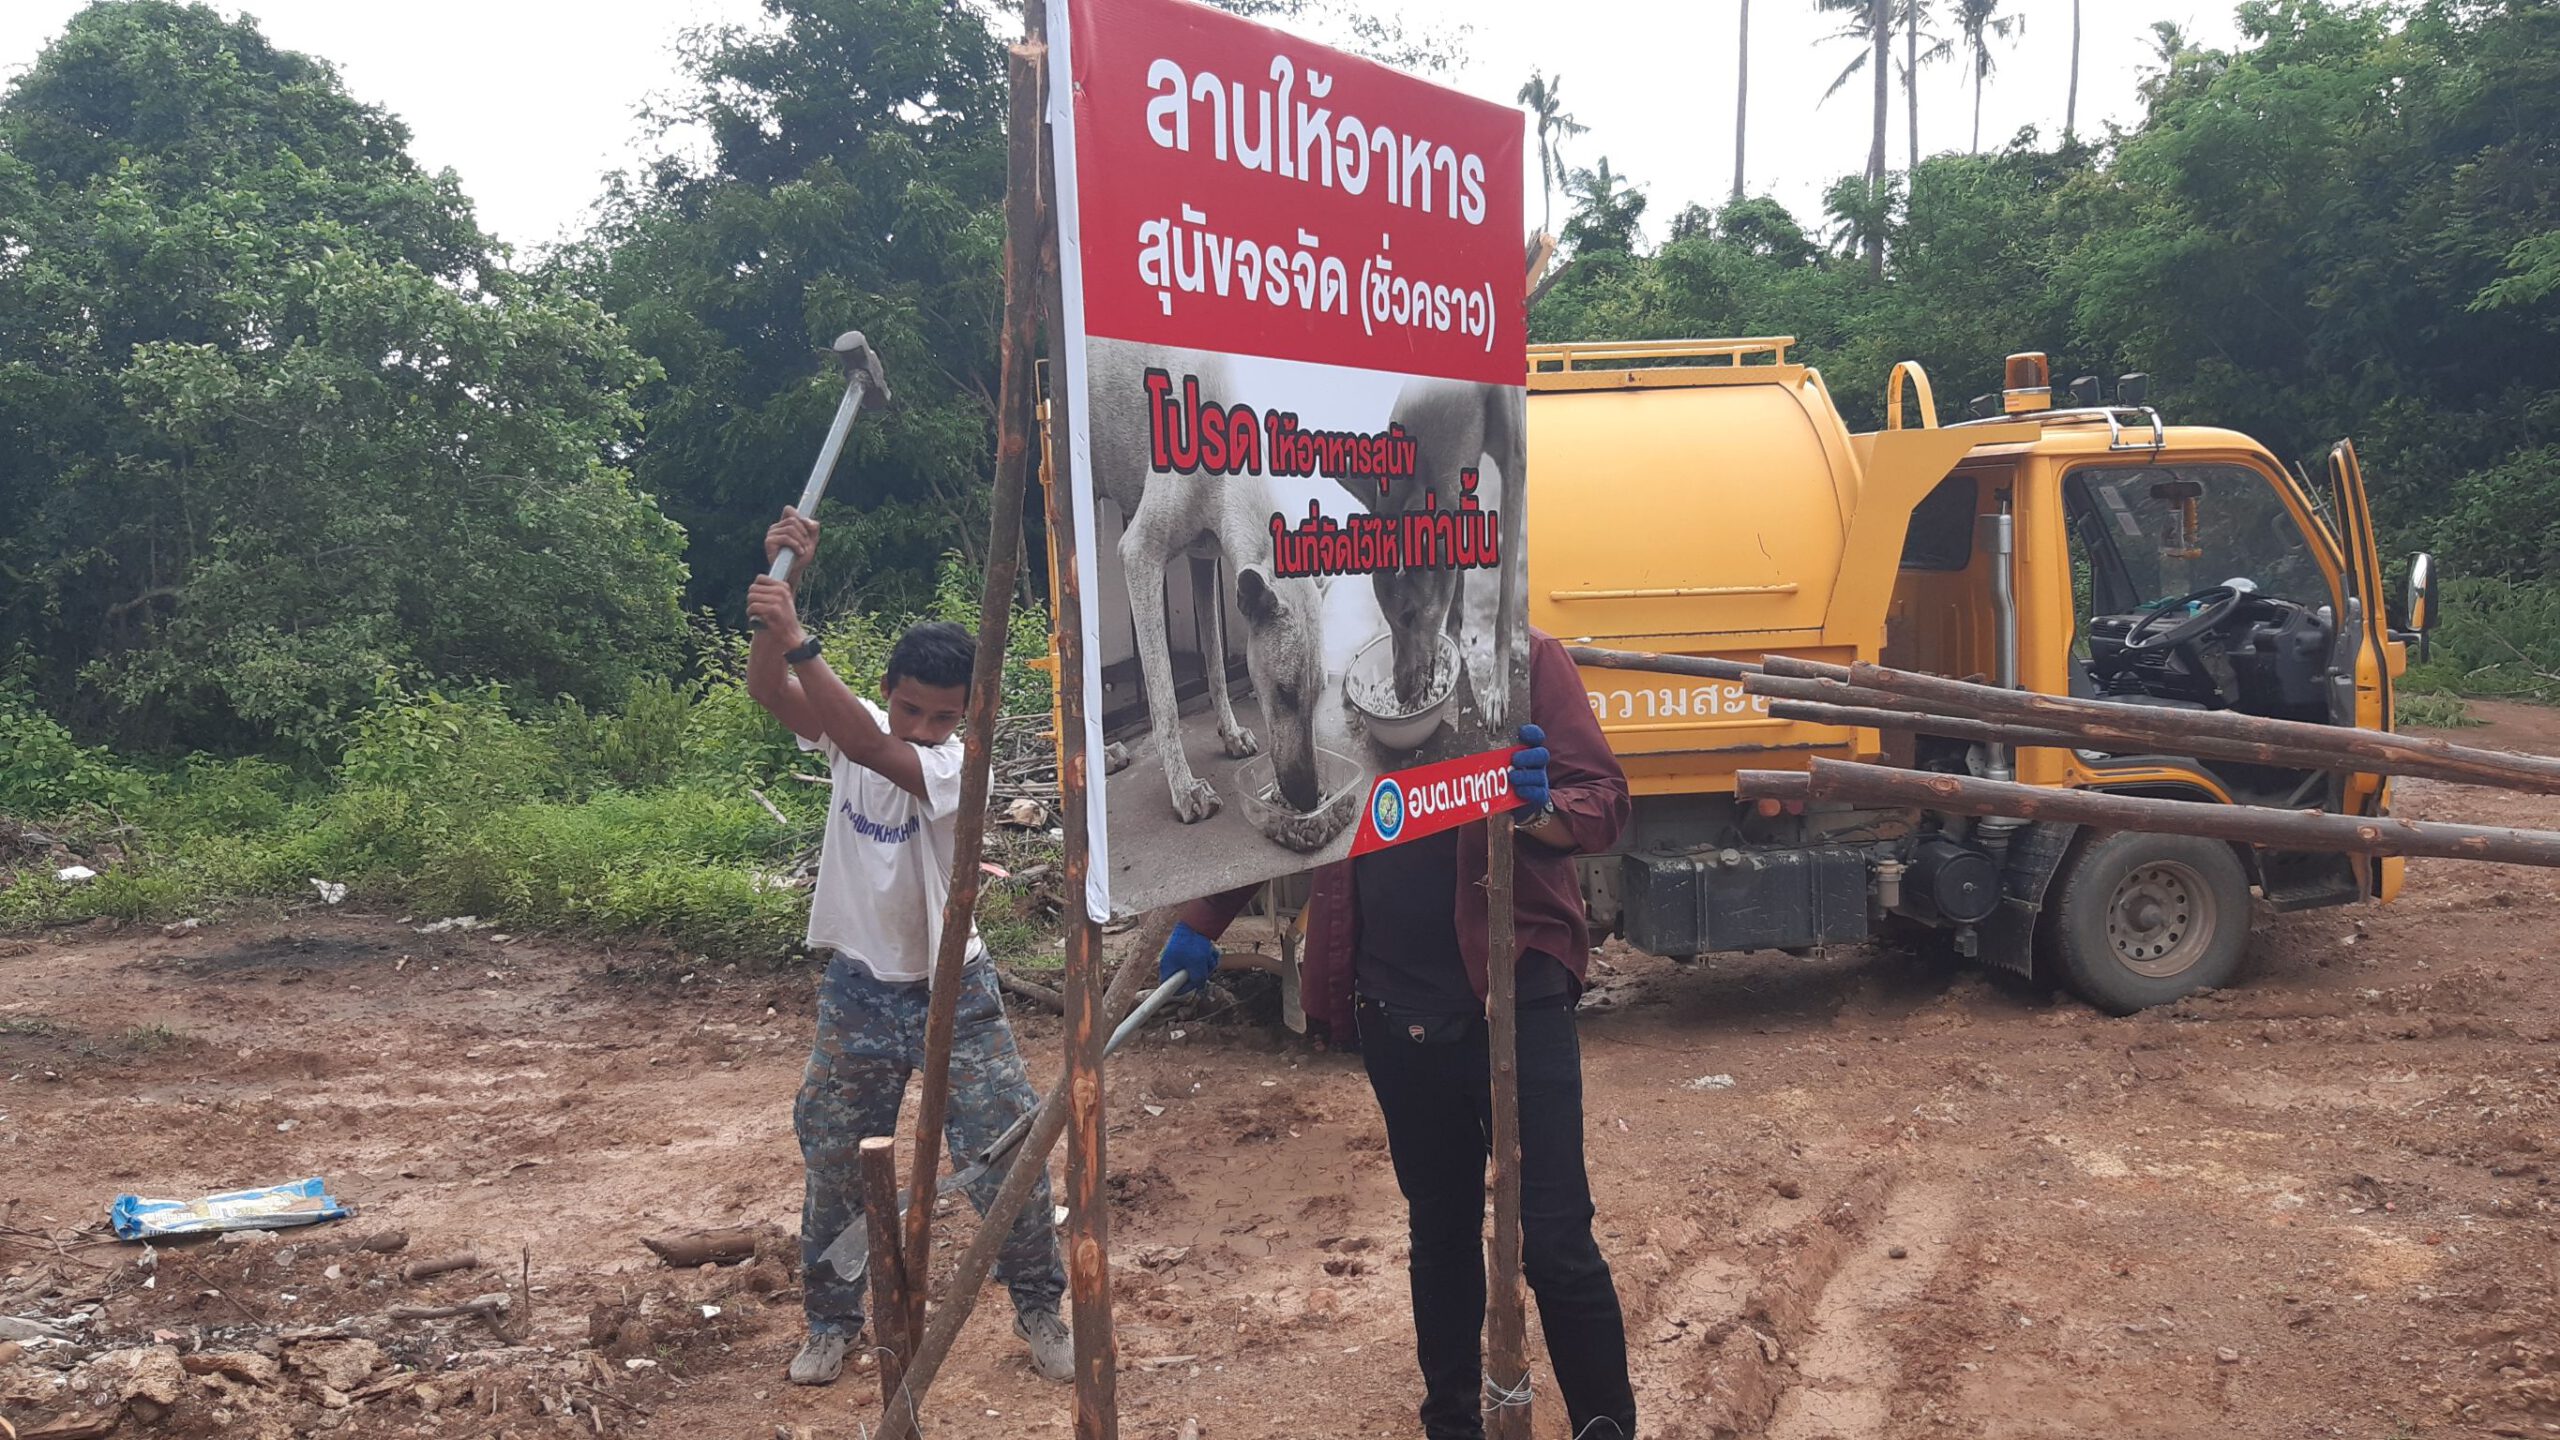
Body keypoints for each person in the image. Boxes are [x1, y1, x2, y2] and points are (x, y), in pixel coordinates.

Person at [1157, 628, 1638, 1439]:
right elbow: (1288, 808)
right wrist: (1203, 918)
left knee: (1556, 1239)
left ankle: (1606, 1425)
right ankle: (1451, 1424)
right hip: (1393, 1007)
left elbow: (1603, 802)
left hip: (1516, 994)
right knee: (1440, 1233)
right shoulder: (1337, 666)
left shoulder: (1519, 657)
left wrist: (1536, 810)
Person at [744, 506, 1073, 1387]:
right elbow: (770, 692)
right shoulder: (855, 720)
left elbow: (861, 739)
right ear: (887, 687)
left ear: (967, 715)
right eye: (910, 707)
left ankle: (1040, 1306)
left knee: (1004, 1154)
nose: (923, 725)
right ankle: (830, 1322)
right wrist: (780, 600)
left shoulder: (958, 766)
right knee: (833, 1158)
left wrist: (799, 634)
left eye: (942, 715)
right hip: (859, 987)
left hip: (954, 991)